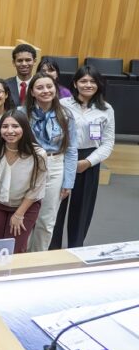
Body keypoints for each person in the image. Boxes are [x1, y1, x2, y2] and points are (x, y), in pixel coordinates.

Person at [52, 66, 115, 249]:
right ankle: (52, 249)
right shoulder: (62, 104)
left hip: (89, 159)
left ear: (98, 84)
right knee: (56, 205)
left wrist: (88, 162)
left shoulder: (106, 109)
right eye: (83, 81)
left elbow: (108, 143)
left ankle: (76, 248)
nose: (88, 85)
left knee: (82, 209)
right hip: (63, 156)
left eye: (92, 81)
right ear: (75, 83)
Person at [0, 110, 47, 253]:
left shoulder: (38, 154)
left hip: (24, 206)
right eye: (5, 126)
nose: (10, 131)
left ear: (24, 128)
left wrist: (19, 214)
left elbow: (36, 188)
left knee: (15, 248)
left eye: (15, 126)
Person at [24, 73, 77, 252]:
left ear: (55, 89)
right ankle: (21, 260)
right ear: (32, 92)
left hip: (55, 165)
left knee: (46, 220)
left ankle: (37, 260)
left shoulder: (66, 114)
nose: (45, 90)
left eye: (49, 86)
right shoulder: (22, 113)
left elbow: (71, 150)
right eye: (40, 87)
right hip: (28, 165)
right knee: (24, 215)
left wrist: (68, 182)